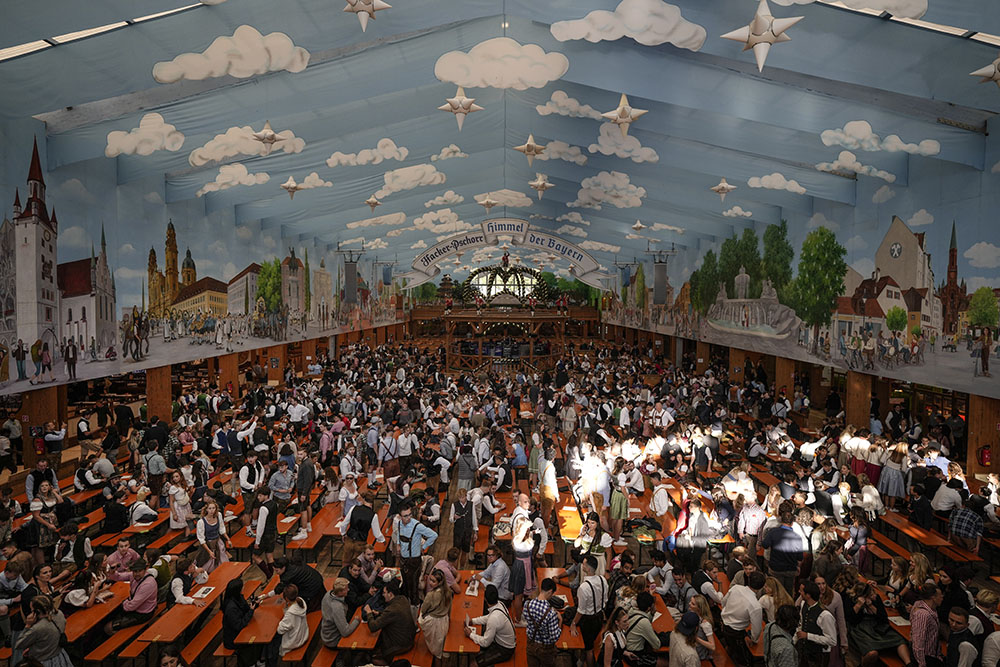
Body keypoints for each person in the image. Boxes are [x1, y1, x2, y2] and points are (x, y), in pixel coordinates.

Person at [393, 503, 438, 602]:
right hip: (403, 560)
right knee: (405, 584)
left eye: (410, 514)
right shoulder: (399, 523)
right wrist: (398, 544)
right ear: (400, 516)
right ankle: (406, 604)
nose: (408, 517)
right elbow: (398, 534)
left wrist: (424, 547)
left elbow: (434, 535)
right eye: (405, 516)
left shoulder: (417, 526)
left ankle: (415, 605)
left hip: (414, 561)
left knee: (413, 586)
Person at [719, 570, 765, 667]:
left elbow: (723, 602)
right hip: (736, 633)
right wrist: (753, 640)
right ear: (762, 587)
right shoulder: (755, 605)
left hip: (723, 625)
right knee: (743, 661)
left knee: (731, 647)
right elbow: (757, 629)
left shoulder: (735, 588)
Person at [466, 584, 517, 667]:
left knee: (473, 664)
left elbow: (485, 642)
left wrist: (470, 634)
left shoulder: (494, 618)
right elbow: (489, 617)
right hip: (502, 641)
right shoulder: (500, 604)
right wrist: (473, 621)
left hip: (505, 649)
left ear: (485, 599)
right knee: (477, 642)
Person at [15, 594, 73, 667]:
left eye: (32, 610)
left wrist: (28, 625)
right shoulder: (59, 614)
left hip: (44, 661)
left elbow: (19, 644)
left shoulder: (37, 628)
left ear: (37, 611)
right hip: (59, 656)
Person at [367, 579, 416, 661]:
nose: (383, 595)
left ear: (390, 594)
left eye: (384, 593)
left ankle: (385, 660)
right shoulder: (403, 599)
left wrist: (369, 613)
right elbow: (394, 615)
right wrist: (380, 613)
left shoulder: (391, 610)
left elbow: (373, 627)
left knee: (373, 658)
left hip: (400, 645)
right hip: (409, 639)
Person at [105, 560, 158, 634]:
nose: (137, 574)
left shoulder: (148, 584)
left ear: (145, 570)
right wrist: (112, 572)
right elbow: (118, 577)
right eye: (135, 571)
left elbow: (131, 606)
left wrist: (124, 603)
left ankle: (126, 638)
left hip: (142, 614)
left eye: (140, 571)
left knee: (108, 627)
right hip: (132, 607)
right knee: (109, 616)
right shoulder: (133, 576)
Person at [222, 579, 262, 667]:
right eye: (242, 587)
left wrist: (254, 604)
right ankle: (250, 663)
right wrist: (251, 611)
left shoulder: (239, 597)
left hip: (241, 630)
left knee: (259, 634)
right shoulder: (231, 608)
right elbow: (239, 625)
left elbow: (246, 609)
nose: (244, 587)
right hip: (233, 638)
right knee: (252, 641)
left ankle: (256, 660)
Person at [796, 580, 836, 667]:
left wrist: (808, 636)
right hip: (805, 651)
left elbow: (832, 641)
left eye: (801, 591)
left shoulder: (825, 615)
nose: (799, 592)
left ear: (808, 595)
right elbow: (801, 624)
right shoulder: (803, 604)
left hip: (819, 655)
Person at [265, 584, 308, 665]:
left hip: (295, 640)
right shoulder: (301, 601)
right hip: (303, 633)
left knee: (272, 641)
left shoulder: (291, 613)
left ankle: (271, 663)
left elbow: (280, 630)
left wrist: (281, 621)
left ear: (287, 598)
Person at [418, 569, 453, 662]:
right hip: (444, 620)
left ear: (439, 582)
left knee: (435, 646)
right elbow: (450, 607)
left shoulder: (431, 595)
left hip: (434, 622)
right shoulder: (448, 592)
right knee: (441, 642)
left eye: (433, 581)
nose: (430, 583)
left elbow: (423, 609)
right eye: (430, 579)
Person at [624, 591, 662, 667]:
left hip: (626, 649)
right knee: (666, 662)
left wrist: (651, 614)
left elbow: (642, 619)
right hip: (634, 655)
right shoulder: (644, 622)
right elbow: (657, 645)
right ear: (649, 608)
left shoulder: (631, 611)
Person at [911, 584, 944, 667]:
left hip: (933, 655)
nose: (942, 598)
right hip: (925, 658)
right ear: (933, 597)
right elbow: (918, 642)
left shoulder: (931, 609)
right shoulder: (923, 614)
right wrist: (922, 663)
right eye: (940, 596)